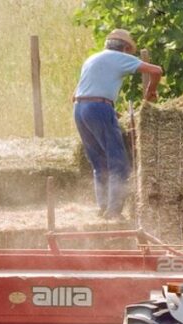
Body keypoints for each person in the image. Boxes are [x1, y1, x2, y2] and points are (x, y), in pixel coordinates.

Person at [73, 29, 163, 220]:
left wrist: (109, 110)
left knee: (99, 163)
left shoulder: (91, 59)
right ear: (125, 48)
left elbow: (80, 93)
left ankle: (103, 206)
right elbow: (157, 71)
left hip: (80, 109)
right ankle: (114, 212)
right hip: (98, 107)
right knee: (119, 163)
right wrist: (150, 91)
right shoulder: (119, 57)